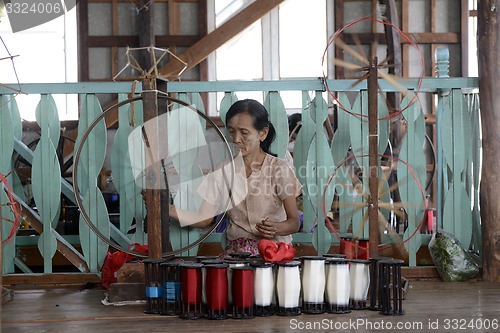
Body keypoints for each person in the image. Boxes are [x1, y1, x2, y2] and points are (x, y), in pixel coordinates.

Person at [168, 99, 302, 256]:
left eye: (244, 133)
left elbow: (294, 222)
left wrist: (276, 227)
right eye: (232, 131)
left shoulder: (279, 169)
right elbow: (204, 219)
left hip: (274, 252)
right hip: (238, 255)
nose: (236, 139)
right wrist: (164, 208)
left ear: (262, 134)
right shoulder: (222, 172)